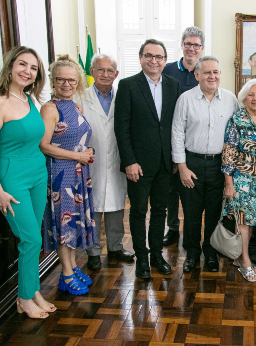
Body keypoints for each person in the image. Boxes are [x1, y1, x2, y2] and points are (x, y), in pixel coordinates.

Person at [0, 46, 55, 319]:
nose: (27, 71)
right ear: (10, 66)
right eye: (22, 64)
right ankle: (23, 298)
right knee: (30, 239)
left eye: (33, 68)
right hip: (13, 177)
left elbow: (37, 136)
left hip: (37, 173)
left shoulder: (30, 99)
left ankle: (33, 291)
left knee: (34, 238)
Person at [115, 39, 181, 279]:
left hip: (166, 163)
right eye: (149, 55)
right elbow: (121, 128)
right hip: (138, 165)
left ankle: (156, 256)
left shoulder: (174, 86)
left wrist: (176, 158)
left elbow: (176, 126)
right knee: (138, 212)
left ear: (165, 60)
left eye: (159, 56)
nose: (154, 60)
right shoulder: (128, 85)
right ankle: (141, 259)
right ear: (141, 57)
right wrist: (129, 161)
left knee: (160, 211)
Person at [172, 56, 239, 273]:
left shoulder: (231, 99)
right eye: (207, 72)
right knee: (191, 214)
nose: (212, 76)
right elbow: (176, 133)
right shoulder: (185, 99)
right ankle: (191, 254)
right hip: (192, 163)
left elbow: (235, 134)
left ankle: (210, 252)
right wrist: (181, 166)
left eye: (216, 72)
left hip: (220, 166)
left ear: (220, 74)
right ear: (197, 75)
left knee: (213, 213)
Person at [40, 55, 97, 296]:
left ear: (78, 82)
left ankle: (73, 267)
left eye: (71, 80)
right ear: (53, 82)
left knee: (73, 222)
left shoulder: (76, 106)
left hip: (79, 174)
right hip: (60, 175)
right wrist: (77, 157)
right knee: (64, 224)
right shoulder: (49, 108)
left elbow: (79, 138)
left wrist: (87, 150)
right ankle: (65, 274)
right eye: (61, 79)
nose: (66, 84)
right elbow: (43, 146)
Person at [78, 54, 134, 270]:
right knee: (91, 207)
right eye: (100, 70)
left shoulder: (123, 96)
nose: (105, 74)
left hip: (117, 158)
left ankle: (116, 247)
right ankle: (92, 251)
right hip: (89, 160)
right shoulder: (80, 97)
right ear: (92, 72)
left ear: (116, 74)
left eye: (110, 70)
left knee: (116, 206)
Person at [222, 79, 256, 282]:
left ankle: (240, 256)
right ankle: (245, 262)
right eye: (251, 95)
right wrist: (229, 183)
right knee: (243, 219)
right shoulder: (236, 119)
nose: (255, 98)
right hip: (241, 176)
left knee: (250, 220)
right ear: (244, 98)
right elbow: (228, 153)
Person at [161, 26, 205, 247]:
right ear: (182, 45)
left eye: (196, 45)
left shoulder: (205, 71)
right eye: (188, 44)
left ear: (202, 48)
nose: (192, 48)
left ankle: (191, 232)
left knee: (191, 192)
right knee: (171, 190)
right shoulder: (167, 70)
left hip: (195, 143)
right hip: (170, 140)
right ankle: (173, 228)